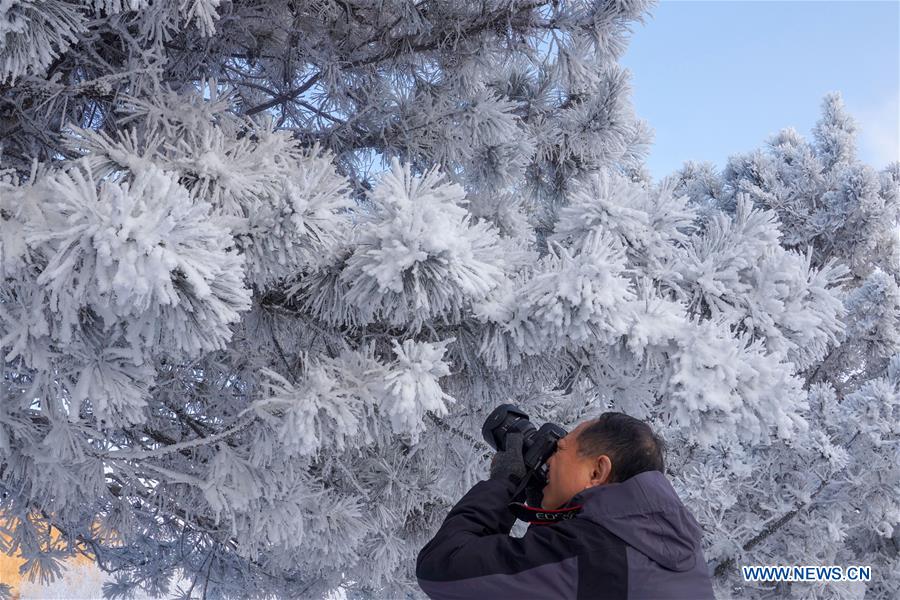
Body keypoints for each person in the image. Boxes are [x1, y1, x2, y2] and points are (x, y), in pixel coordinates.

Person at [416, 412, 716, 599]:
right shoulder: (680, 555)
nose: (548, 458)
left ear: (597, 472)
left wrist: (505, 482)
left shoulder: (591, 556)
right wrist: (554, 515)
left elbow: (442, 566)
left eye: (559, 449)